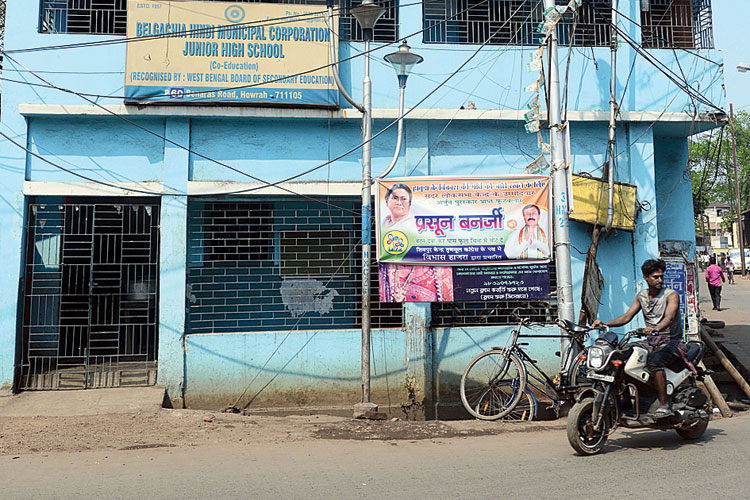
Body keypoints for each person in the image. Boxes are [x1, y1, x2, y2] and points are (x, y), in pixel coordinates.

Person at [592, 259, 687, 418]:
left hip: (671, 341)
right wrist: (604, 323)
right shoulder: (642, 296)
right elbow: (627, 316)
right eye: (655, 277)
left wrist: (656, 329)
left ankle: (664, 405)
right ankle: (629, 402)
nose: (660, 280)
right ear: (646, 277)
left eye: (661, 277)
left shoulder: (671, 295)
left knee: (655, 360)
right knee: (620, 356)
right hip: (650, 341)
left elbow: (669, 317)